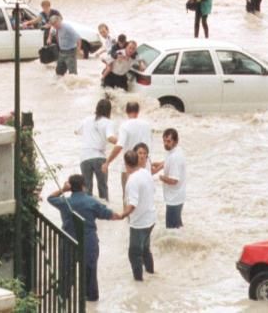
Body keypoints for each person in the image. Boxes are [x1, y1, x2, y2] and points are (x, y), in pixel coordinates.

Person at [47, 174, 121, 302]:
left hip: (68, 241)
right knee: (90, 273)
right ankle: (91, 300)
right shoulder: (92, 202)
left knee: (66, 272)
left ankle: (63, 298)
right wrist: (122, 215)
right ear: (83, 186)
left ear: (71, 187)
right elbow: (110, 215)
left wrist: (63, 190)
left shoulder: (65, 202)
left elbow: (50, 198)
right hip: (89, 241)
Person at [102, 102, 152, 196]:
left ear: (126, 111)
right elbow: (150, 145)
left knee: (128, 196)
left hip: (129, 166)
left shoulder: (125, 125)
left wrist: (108, 162)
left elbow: (120, 145)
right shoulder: (147, 125)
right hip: (145, 164)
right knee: (145, 196)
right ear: (138, 112)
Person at [120, 150, 156, 282]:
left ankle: (139, 281)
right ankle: (151, 273)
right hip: (151, 218)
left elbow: (133, 204)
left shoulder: (132, 180)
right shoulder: (145, 172)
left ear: (126, 164)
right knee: (146, 249)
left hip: (140, 223)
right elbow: (153, 190)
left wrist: (122, 214)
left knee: (134, 254)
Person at [76, 99, 117, 200]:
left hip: (84, 157)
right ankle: (104, 214)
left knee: (87, 189)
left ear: (97, 109)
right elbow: (110, 137)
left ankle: (87, 214)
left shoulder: (86, 120)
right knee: (103, 188)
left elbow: (76, 131)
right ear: (109, 111)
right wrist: (122, 142)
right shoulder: (108, 122)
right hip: (99, 158)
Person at [158, 128, 186, 229]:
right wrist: (158, 165)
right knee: (178, 227)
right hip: (178, 196)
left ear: (176, 141)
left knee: (171, 230)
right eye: (164, 141)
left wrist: (161, 177)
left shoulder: (175, 157)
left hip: (174, 199)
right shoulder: (176, 150)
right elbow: (167, 161)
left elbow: (174, 180)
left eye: (168, 141)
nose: (165, 144)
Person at [47, 14, 82, 79]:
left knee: (73, 74)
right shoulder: (54, 27)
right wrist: (49, 38)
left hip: (70, 52)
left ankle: (74, 87)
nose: (55, 27)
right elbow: (52, 32)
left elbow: (78, 39)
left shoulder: (67, 28)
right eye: (53, 25)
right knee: (59, 72)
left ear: (59, 21)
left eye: (56, 25)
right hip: (62, 51)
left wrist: (78, 51)